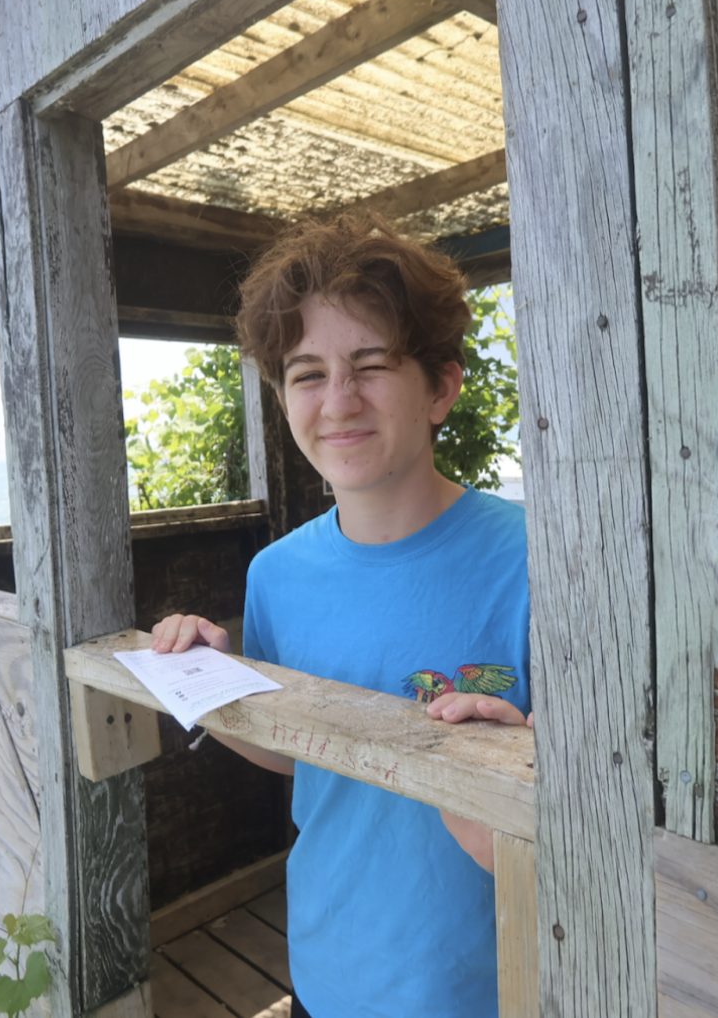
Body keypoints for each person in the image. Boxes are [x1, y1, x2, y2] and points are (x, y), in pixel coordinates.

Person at [152, 214, 530, 1018]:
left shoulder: (539, 560)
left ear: (441, 386)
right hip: (326, 977)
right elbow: (305, 758)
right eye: (307, 373)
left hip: (495, 991)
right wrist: (221, 687)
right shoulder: (275, 574)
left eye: (370, 364)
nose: (339, 401)